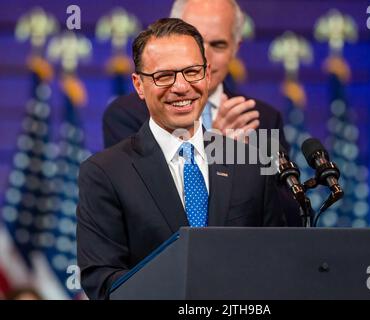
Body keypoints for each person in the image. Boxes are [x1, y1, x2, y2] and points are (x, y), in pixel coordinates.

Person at [76, 18, 286, 300]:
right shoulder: (105, 172)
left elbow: (276, 262)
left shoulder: (250, 162)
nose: (181, 87)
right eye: (164, 76)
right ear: (139, 85)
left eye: (192, 72)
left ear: (208, 75)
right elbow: (102, 281)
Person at [102, 0, 289, 151]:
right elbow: (141, 193)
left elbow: (275, 197)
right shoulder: (125, 114)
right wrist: (216, 147)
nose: (205, 57)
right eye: (194, 43)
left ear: (235, 49)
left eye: (218, 45)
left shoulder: (261, 119)